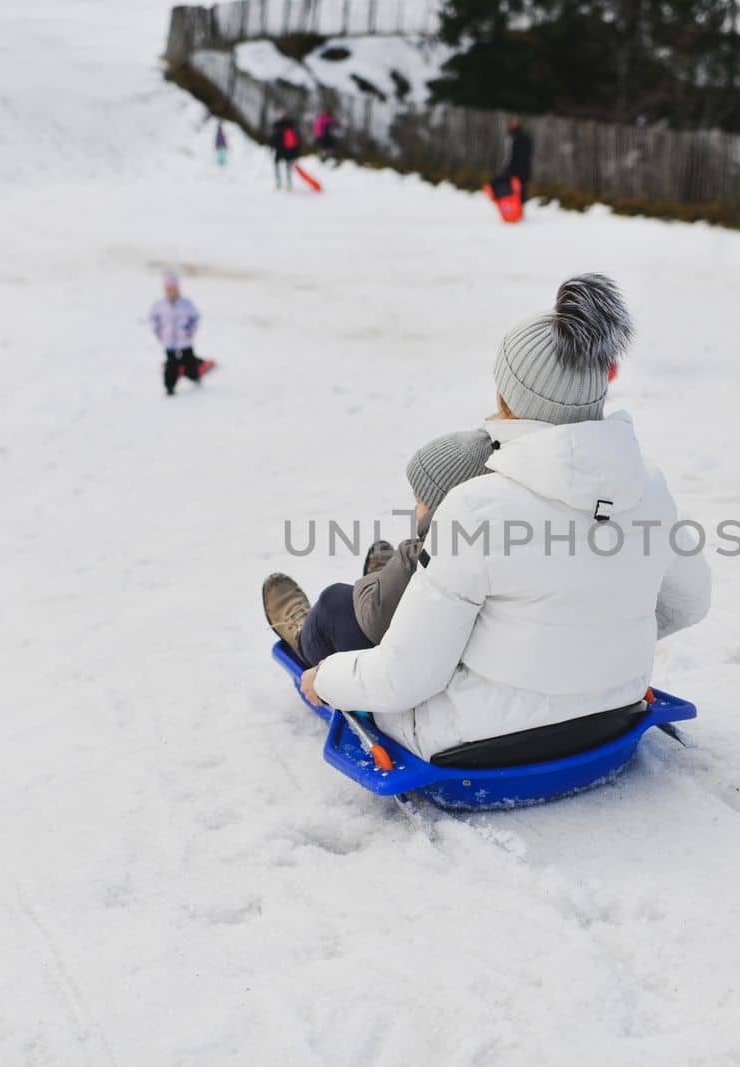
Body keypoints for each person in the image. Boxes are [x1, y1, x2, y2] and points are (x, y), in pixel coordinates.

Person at [291, 274, 712, 760]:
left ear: (505, 399)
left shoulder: (476, 508)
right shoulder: (649, 488)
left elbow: (406, 676)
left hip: (484, 744)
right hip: (611, 720)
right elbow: (691, 602)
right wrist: (599, 642)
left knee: (347, 612)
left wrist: (326, 678)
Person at [263, 429, 495, 666]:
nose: (415, 509)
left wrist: (374, 584)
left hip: (402, 667)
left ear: (441, 503)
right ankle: (385, 582)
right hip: (453, 652)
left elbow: (375, 618)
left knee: (333, 603)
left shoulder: (422, 558)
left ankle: (304, 637)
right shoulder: (496, 536)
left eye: (418, 500)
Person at [149, 271, 214, 396]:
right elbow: (154, 320)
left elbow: (195, 317)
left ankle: (195, 376)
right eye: (168, 289)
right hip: (169, 342)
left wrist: (190, 330)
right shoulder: (160, 305)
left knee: (189, 362)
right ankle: (169, 387)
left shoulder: (186, 303)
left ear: (178, 288)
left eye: (173, 288)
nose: (171, 291)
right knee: (171, 365)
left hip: (185, 341)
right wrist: (158, 332)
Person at [493, 117, 533, 204]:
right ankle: (515, 208)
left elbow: (510, 156)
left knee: (516, 189)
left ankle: (516, 209)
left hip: (516, 169)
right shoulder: (517, 138)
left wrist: (507, 168)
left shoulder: (514, 139)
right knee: (519, 189)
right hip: (521, 169)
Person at [270, 114, 301, 190]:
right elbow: (295, 144)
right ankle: (289, 183)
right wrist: (295, 155)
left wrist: (271, 147)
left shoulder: (278, 129)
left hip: (279, 151)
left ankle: (278, 182)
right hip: (289, 151)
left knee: (276, 164)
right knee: (288, 166)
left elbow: (273, 140)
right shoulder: (291, 130)